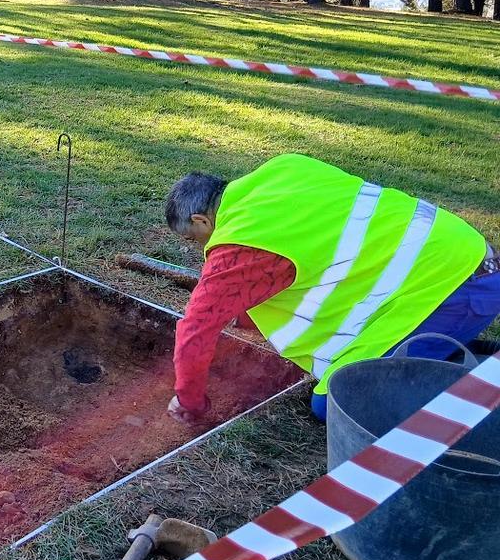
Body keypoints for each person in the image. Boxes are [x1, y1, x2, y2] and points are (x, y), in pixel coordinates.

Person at [163, 153, 500, 423]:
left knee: (336, 403)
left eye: (195, 240)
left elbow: (197, 328)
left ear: (201, 221)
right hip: (463, 254)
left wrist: (190, 400)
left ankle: (480, 394)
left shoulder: (239, 245)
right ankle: (464, 358)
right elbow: (306, 258)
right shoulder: (284, 168)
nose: (200, 249)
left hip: (453, 291)